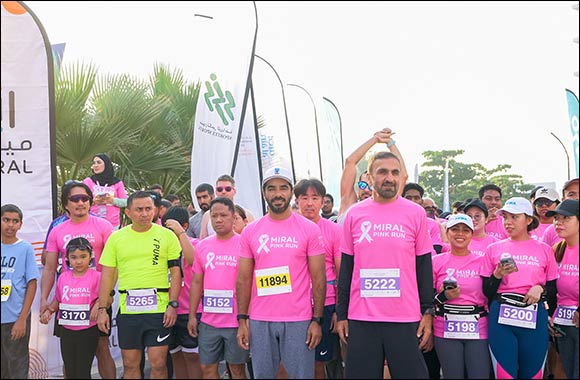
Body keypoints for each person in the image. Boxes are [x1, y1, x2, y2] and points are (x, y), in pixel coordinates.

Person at [336, 151, 434, 379]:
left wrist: (428, 312)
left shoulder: (416, 213)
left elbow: (424, 266)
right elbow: (347, 268)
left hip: (404, 317)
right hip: (362, 318)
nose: (389, 178)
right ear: (370, 177)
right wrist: (342, 314)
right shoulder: (355, 214)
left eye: (394, 172)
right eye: (382, 172)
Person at [236, 166, 326, 379]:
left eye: (283, 188)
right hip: (260, 319)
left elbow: (319, 278)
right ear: (264, 192)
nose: (277, 193)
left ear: (291, 192)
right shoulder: (251, 231)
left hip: (299, 319)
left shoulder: (309, 229)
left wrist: (317, 320)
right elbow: (243, 279)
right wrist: (242, 320)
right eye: (271, 188)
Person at [97, 191, 182, 379]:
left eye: (148, 209)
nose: (144, 214)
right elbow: (107, 275)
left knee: (158, 363)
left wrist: (173, 304)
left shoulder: (166, 236)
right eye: (139, 210)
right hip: (129, 311)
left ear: (155, 210)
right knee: (129, 363)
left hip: (159, 310)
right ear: (128, 212)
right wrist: (102, 308)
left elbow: (176, 273)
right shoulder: (116, 238)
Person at [40, 181, 116, 379]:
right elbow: (49, 268)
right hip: (69, 300)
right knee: (70, 356)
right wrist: (44, 301)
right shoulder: (58, 230)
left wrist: (103, 300)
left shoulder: (104, 226)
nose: (80, 202)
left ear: (90, 202)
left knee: (102, 349)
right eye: (75, 199)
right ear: (66, 204)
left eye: (85, 198)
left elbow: (113, 266)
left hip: (96, 298)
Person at [481, 197, 558, 379]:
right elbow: (486, 292)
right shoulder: (493, 249)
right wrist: (497, 276)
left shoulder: (545, 249)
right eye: (505, 217)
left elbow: (553, 288)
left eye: (514, 217)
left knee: (533, 375)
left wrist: (541, 289)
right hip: (502, 316)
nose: (508, 222)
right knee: (505, 375)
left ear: (529, 219)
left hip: (533, 316)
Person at [187, 197, 250, 379]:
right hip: (209, 322)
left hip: (236, 322)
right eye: (214, 216)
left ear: (233, 217)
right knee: (207, 369)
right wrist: (192, 315)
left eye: (223, 215)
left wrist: (246, 319)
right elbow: (197, 282)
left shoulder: (244, 244)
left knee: (237, 369)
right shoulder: (203, 246)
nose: (218, 220)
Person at [431, 214, 491, 378]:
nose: (460, 234)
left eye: (465, 230)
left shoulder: (483, 261)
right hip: (445, 328)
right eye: (455, 229)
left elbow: (492, 292)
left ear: (472, 234)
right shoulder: (436, 261)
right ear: (447, 232)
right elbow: (426, 299)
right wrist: (443, 296)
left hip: (478, 328)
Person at [294, 179, 342, 379]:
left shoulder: (333, 230)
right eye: (304, 198)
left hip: (327, 305)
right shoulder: (288, 229)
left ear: (323, 201)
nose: (309, 203)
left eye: (315, 198)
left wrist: (339, 309)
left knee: (320, 363)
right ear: (296, 201)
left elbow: (341, 272)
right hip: (295, 307)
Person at [40, 238, 102, 379]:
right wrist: (49, 311)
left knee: (83, 371)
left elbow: (105, 296)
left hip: (87, 331)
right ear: (67, 258)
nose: (78, 261)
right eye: (73, 257)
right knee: (70, 370)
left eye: (83, 257)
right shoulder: (63, 277)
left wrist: (98, 306)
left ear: (90, 256)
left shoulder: (97, 276)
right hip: (67, 331)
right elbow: (58, 299)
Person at [161, 206, 202, 379]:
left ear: (185, 226)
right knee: (175, 354)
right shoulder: (161, 246)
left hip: (191, 310)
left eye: (171, 229)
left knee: (192, 356)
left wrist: (181, 234)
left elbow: (192, 260)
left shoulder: (195, 244)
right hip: (169, 310)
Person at [1, 204, 40, 380]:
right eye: (6, 220)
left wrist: (22, 318)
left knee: (17, 367)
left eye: (15, 221)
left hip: (14, 317)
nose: (10, 225)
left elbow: (32, 283)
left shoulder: (25, 248)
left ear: (20, 225)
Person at [338, 128, 408, 218]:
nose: (366, 190)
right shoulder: (349, 205)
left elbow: (403, 175)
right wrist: (375, 139)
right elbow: (350, 162)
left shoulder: (388, 207)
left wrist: (390, 143)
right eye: (362, 185)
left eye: (370, 186)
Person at [546, 199, 579, 380]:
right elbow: (550, 287)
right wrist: (550, 315)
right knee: (566, 370)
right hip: (563, 324)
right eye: (556, 218)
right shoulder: (556, 250)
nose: (559, 223)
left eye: (566, 218)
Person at [200, 175, 255, 239]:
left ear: (234, 191)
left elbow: (252, 238)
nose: (223, 192)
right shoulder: (207, 215)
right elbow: (203, 239)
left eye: (228, 189)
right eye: (220, 189)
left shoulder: (246, 214)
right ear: (216, 192)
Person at [83, 153, 128, 229]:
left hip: (112, 224)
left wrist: (112, 200)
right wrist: (93, 201)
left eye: (99, 162)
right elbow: (81, 201)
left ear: (106, 164)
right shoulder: (88, 181)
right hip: (92, 222)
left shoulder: (117, 182)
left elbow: (125, 202)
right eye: (94, 163)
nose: (95, 165)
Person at [542, 178, 579, 247]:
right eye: (571, 194)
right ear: (563, 199)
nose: (577, 198)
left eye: (566, 218)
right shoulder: (552, 230)